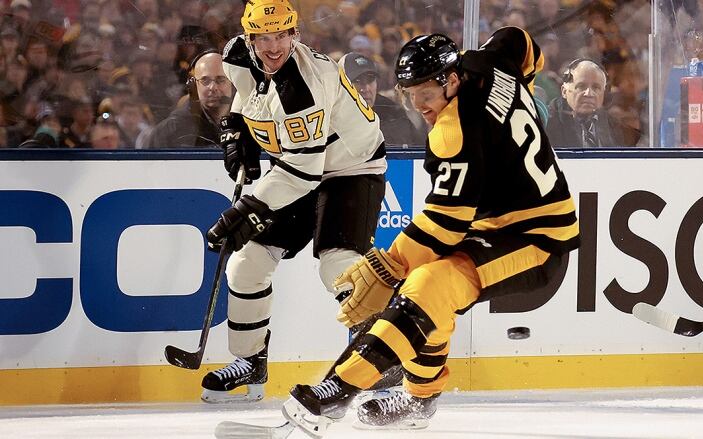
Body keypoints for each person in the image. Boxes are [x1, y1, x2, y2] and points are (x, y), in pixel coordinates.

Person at [281, 28, 580, 435]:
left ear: (452, 79)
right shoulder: (490, 61)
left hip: (539, 239)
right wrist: (522, 86)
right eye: (409, 92)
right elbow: (520, 41)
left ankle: (339, 389)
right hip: (498, 224)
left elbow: (446, 223)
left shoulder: (455, 130)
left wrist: (390, 263)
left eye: (426, 91)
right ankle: (418, 398)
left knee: (427, 285)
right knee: (425, 287)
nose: (418, 103)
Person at [199, 0, 387, 403]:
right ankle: (250, 361)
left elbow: (304, 173)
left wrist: (245, 209)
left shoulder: (304, 85)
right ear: (248, 38)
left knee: (338, 264)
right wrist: (236, 130)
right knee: (247, 264)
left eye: (282, 34)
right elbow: (248, 97)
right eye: (263, 37)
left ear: (295, 34)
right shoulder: (237, 55)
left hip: (351, 169)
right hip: (297, 167)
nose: (273, 46)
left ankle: (385, 360)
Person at [146, 50, 232, 148]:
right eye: (205, 80)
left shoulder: (249, 122)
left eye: (220, 80)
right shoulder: (168, 132)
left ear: (233, 83)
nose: (212, 87)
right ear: (194, 86)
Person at [546, 58, 639, 147]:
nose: (589, 94)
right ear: (564, 91)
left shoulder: (615, 129)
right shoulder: (545, 126)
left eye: (596, 88)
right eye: (581, 86)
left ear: (604, 93)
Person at [339, 52, 426, 147]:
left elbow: (419, 152)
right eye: (357, 81)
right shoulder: (330, 117)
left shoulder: (394, 113)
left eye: (370, 80)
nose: (366, 89)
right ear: (342, 85)